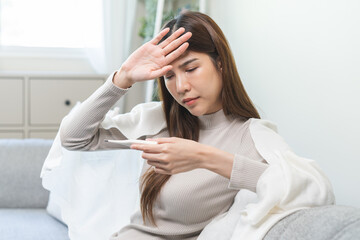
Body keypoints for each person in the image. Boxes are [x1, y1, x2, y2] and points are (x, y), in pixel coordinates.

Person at [59, 11, 336, 240]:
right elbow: (73, 139)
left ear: (221, 64)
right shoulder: (159, 120)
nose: (181, 87)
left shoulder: (252, 136)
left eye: (191, 69)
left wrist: (203, 157)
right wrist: (123, 77)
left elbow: (315, 189)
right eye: (169, 76)